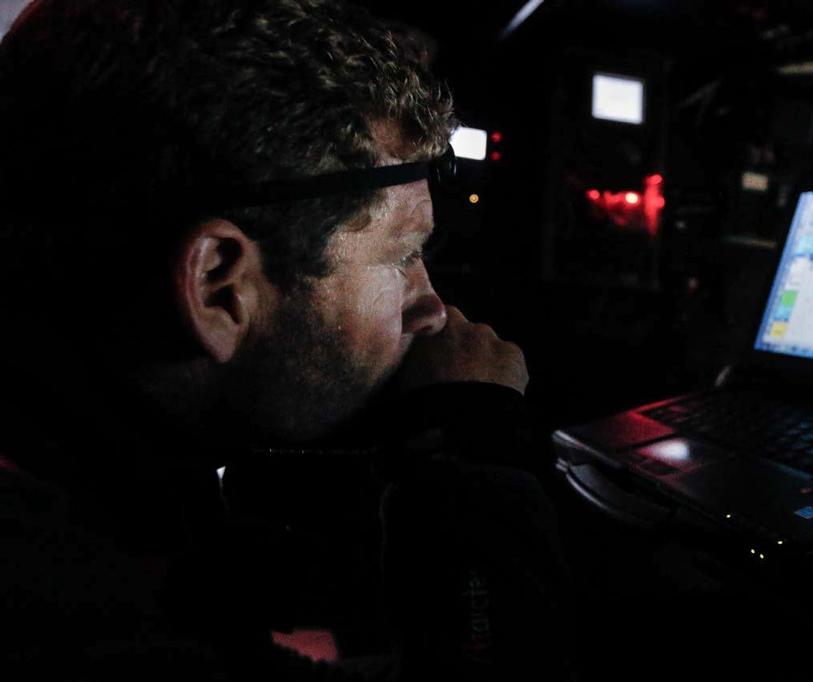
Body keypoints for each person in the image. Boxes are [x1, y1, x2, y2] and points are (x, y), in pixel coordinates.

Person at [0, 1, 573, 679]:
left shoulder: (74, 461)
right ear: (219, 285)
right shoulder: (63, 624)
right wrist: (475, 449)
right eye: (399, 257)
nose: (431, 310)